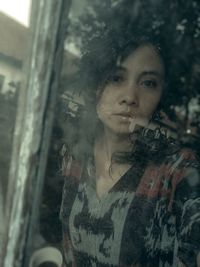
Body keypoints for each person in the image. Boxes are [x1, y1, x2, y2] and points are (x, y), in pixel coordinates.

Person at [59, 9, 200, 267]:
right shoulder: (75, 154)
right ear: (95, 85)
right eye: (116, 78)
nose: (130, 97)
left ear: (161, 96)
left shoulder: (176, 172)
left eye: (148, 83)